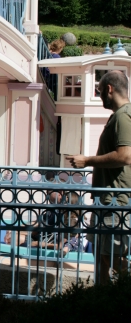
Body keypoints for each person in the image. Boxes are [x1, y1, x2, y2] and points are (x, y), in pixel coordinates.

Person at [67, 70, 131, 284]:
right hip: (104, 200)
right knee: (102, 258)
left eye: (100, 91)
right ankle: (100, 304)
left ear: (109, 89)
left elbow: (125, 156)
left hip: (114, 201)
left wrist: (88, 161)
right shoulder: (117, 116)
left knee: (111, 257)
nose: (100, 95)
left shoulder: (124, 116)